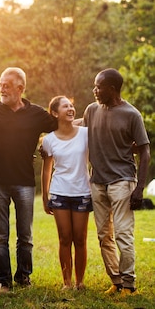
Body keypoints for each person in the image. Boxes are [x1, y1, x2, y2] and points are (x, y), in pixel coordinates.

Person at [0, 67, 56, 292]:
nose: (1, 88)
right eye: (0, 84)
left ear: (20, 88)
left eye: (6, 85)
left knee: (26, 235)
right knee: (0, 236)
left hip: (24, 181)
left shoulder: (36, 113)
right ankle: (4, 280)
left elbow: (61, 125)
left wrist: (88, 119)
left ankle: (23, 276)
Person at [83, 68, 150, 296]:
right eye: (94, 85)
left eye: (99, 86)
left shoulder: (132, 115)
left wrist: (139, 188)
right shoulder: (91, 110)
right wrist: (48, 141)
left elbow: (145, 152)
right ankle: (117, 280)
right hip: (97, 181)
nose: (95, 90)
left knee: (123, 233)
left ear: (112, 89)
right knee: (104, 235)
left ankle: (129, 285)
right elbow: (76, 134)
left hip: (122, 181)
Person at [41, 96, 91, 290]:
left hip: (82, 191)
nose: (70, 109)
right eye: (65, 106)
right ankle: (67, 283)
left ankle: (80, 282)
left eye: (71, 105)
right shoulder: (49, 140)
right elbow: (46, 169)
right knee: (64, 238)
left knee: (80, 238)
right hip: (60, 192)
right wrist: (45, 197)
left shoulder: (86, 134)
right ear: (55, 113)